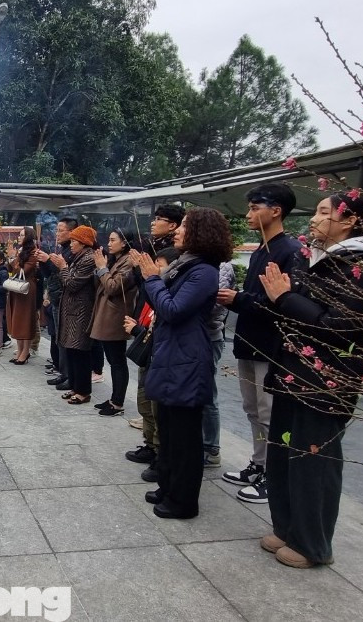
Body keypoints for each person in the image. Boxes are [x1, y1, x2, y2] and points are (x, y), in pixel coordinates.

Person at [257, 191, 363, 568]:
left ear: (349, 220)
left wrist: (285, 299)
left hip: (326, 379)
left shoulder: (361, 266)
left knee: (313, 462)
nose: (314, 219)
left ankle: (313, 544)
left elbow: (341, 327)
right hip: (293, 370)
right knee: (284, 454)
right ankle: (288, 528)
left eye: (323, 212)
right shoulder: (319, 259)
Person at [135, 207, 235, 519]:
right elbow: (157, 299)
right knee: (168, 427)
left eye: (185, 227)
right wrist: (150, 279)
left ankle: (184, 500)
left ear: (200, 233)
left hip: (187, 358)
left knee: (184, 436)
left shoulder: (204, 271)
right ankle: (168, 486)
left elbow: (174, 309)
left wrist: (152, 278)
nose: (178, 231)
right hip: (171, 354)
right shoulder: (184, 265)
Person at [217, 183, 304, 505]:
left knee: (269, 413)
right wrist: (239, 300)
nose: (248, 214)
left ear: (276, 210)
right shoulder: (260, 250)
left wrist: (239, 299)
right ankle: (259, 463)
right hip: (248, 340)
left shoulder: (290, 251)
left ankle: (274, 474)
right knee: (252, 409)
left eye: (255, 208)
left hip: (271, 346)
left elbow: (284, 302)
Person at [124, 246, 178, 473]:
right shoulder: (154, 286)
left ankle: (159, 452)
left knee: (156, 408)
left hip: (160, 353)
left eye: (160, 264)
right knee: (144, 403)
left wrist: (137, 330)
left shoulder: (172, 289)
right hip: (148, 350)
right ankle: (149, 445)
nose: (154, 268)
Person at [47, 225, 99, 404]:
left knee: (80, 352)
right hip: (71, 311)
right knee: (71, 350)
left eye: (75, 241)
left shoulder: (89, 259)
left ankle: (83, 391)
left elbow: (71, 284)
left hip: (81, 312)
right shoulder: (79, 257)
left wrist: (62, 266)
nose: (71, 244)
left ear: (84, 243)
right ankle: (75, 387)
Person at [91, 230, 137, 416]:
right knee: (113, 359)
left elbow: (112, 287)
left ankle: (117, 403)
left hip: (116, 315)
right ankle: (114, 399)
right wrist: (101, 267)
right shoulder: (116, 259)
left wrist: (102, 268)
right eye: (108, 240)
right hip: (107, 312)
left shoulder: (128, 262)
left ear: (124, 243)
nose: (109, 244)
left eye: (113, 240)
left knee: (117, 361)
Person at [203, 261, 238, 467]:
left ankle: (211, 447)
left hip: (209, 335)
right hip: (190, 335)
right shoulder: (189, 260)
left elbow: (214, 305)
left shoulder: (222, 267)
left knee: (207, 393)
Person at [37, 217, 78, 388]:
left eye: (61, 230)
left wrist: (48, 260)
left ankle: (70, 376)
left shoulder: (73, 252)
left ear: (72, 232)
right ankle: (63, 372)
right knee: (57, 338)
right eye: (57, 230)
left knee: (65, 339)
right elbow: (51, 275)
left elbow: (65, 273)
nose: (57, 234)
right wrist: (44, 262)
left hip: (65, 299)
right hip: (55, 297)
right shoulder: (62, 249)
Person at [5, 227, 40, 365]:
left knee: (25, 320)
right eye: (19, 235)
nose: (19, 237)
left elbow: (24, 272)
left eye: (22, 235)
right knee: (16, 319)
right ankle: (19, 350)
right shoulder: (21, 251)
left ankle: (26, 352)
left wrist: (14, 258)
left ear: (28, 237)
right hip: (16, 289)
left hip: (26, 289)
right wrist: (11, 257)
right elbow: (10, 269)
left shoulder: (33, 252)